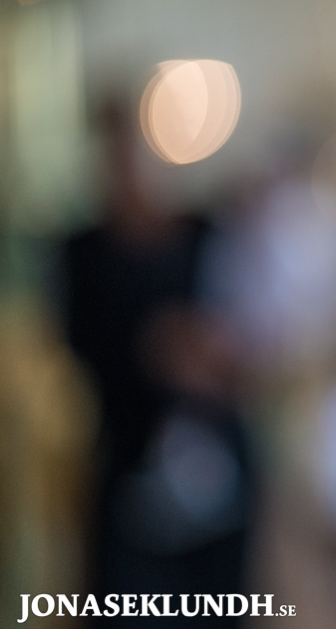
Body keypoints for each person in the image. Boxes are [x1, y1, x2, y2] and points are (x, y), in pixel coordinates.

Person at [61, 100, 252, 627]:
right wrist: (155, 351)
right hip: (128, 455)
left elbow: (247, 334)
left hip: (214, 456)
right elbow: (79, 349)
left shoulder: (205, 233)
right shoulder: (80, 250)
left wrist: (208, 355)